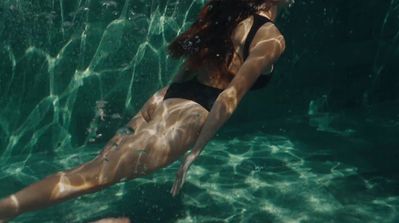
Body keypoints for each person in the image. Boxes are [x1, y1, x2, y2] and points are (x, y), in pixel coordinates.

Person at [0, 0, 290, 221]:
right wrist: (195, 151)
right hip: (189, 113)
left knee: (94, 170)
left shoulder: (226, 15)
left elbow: (186, 71)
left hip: (166, 99)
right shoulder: (271, 37)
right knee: (90, 177)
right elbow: (229, 95)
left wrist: (158, 104)